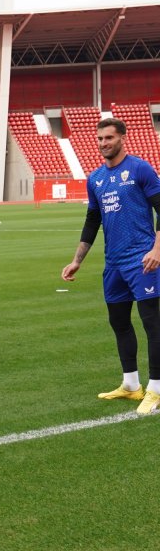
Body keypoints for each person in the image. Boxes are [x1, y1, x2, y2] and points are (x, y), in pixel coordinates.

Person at [62, 117, 160, 415]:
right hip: (114, 263)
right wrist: (77, 259)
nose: (104, 143)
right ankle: (131, 385)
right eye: (100, 138)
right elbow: (93, 220)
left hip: (143, 260)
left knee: (152, 325)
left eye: (109, 138)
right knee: (119, 322)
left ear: (122, 138)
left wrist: (157, 248)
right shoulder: (95, 179)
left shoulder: (140, 169)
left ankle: (156, 390)